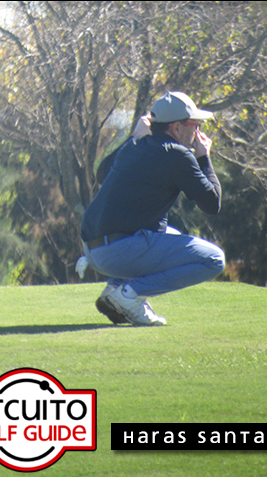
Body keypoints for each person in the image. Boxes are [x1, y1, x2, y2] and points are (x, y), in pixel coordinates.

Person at [79, 92, 225, 326]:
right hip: (117, 252)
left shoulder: (134, 145)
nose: (198, 131)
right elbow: (212, 203)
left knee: (170, 233)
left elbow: (101, 174)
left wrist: (133, 136)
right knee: (214, 260)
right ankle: (130, 295)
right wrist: (203, 158)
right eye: (194, 125)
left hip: (92, 249)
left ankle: (114, 289)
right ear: (177, 127)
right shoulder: (178, 154)